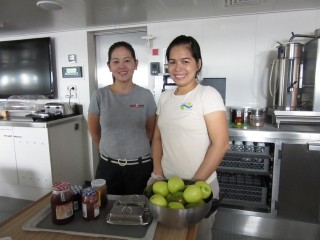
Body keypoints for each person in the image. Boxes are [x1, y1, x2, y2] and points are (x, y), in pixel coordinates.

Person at [150, 35, 229, 240]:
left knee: (198, 236)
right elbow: (157, 137)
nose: (178, 68)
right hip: (168, 186)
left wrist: (193, 184)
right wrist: (157, 173)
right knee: (167, 236)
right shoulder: (165, 97)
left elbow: (220, 144)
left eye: (185, 61)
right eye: (172, 62)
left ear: (198, 64)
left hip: (199, 186)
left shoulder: (207, 95)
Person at [88, 41, 157, 195]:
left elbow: (150, 132)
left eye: (127, 60)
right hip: (108, 168)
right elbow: (94, 132)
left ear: (135, 63)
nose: (122, 66)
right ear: (109, 66)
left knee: (140, 211)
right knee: (107, 212)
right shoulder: (99, 95)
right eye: (116, 61)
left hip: (140, 167)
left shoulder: (146, 95)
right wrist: (110, 149)